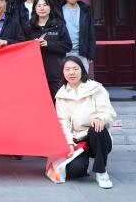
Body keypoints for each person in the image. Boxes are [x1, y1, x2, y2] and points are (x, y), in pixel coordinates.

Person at [55, 56, 116, 189]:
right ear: (63, 72)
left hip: (97, 136)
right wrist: (69, 143)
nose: (71, 72)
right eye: (67, 69)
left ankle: (101, 172)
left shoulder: (96, 88)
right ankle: (84, 164)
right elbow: (62, 122)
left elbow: (108, 111)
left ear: (82, 70)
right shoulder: (61, 95)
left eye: (75, 69)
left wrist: (100, 117)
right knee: (75, 171)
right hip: (77, 139)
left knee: (97, 128)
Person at [24, 0, 72, 98]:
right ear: (35, 8)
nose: (42, 8)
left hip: (55, 72)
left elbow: (67, 45)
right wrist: (32, 45)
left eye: (45, 5)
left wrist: (48, 44)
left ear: (50, 7)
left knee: (58, 100)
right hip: (35, 72)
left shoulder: (59, 24)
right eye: (39, 5)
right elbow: (22, 46)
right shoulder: (29, 26)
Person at [61, 0, 97, 73]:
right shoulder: (59, 10)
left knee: (83, 77)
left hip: (81, 51)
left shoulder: (85, 10)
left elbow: (90, 32)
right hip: (64, 51)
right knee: (66, 77)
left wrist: (91, 53)